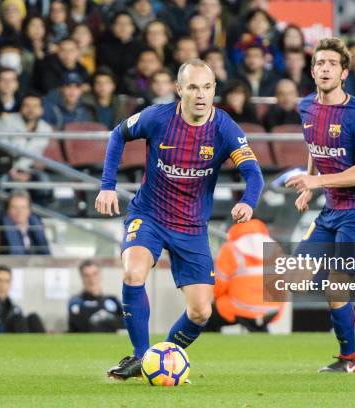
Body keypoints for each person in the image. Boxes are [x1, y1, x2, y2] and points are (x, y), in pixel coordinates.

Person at [95, 59, 264, 380]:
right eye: (193, 87)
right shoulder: (157, 118)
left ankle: (159, 358)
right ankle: (141, 354)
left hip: (191, 228)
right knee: (133, 272)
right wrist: (107, 187)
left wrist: (248, 200)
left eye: (207, 87)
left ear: (214, 90)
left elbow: (253, 173)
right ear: (179, 90)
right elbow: (117, 135)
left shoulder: (225, 128)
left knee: (201, 312)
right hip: (150, 215)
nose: (201, 95)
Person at [285, 38, 355, 373]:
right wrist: (310, 187)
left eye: (331, 63)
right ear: (312, 71)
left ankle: (349, 360)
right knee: (297, 275)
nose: (324, 68)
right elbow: (316, 147)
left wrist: (317, 182)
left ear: (344, 73)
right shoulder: (305, 107)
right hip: (332, 209)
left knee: (336, 285)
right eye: (319, 63)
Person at [204, 219, 283, 332]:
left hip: (240, 306)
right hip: (272, 309)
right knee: (259, 324)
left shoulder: (231, 248)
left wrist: (217, 298)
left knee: (208, 316)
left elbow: (219, 285)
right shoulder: (274, 246)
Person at [0, 91, 53, 205]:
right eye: (27, 105)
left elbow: (42, 157)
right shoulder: (7, 121)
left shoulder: (46, 129)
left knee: (45, 183)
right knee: (2, 184)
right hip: (6, 169)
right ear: (21, 107)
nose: (31, 109)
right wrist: (12, 172)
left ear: (41, 110)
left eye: (35, 106)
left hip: (30, 171)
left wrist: (34, 170)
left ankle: (41, 218)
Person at [0, 265, 45, 333]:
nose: (2, 285)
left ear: (10, 284)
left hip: (13, 334)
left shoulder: (13, 308)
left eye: (6, 281)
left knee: (33, 318)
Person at [68, 260, 124, 332]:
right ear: (81, 277)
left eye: (95, 274)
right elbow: (82, 326)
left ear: (100, 275)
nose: (91, 279)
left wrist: (108, 318)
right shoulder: (76, 302)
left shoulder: (112, 300)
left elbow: (126, 324)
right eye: (87, 275)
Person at [0, 189, 50, 255]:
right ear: (8, 210)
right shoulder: (0, 228)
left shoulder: (38, 226)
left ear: (29, 210)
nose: (19, 212)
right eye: (14, 207)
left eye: (23, 207)